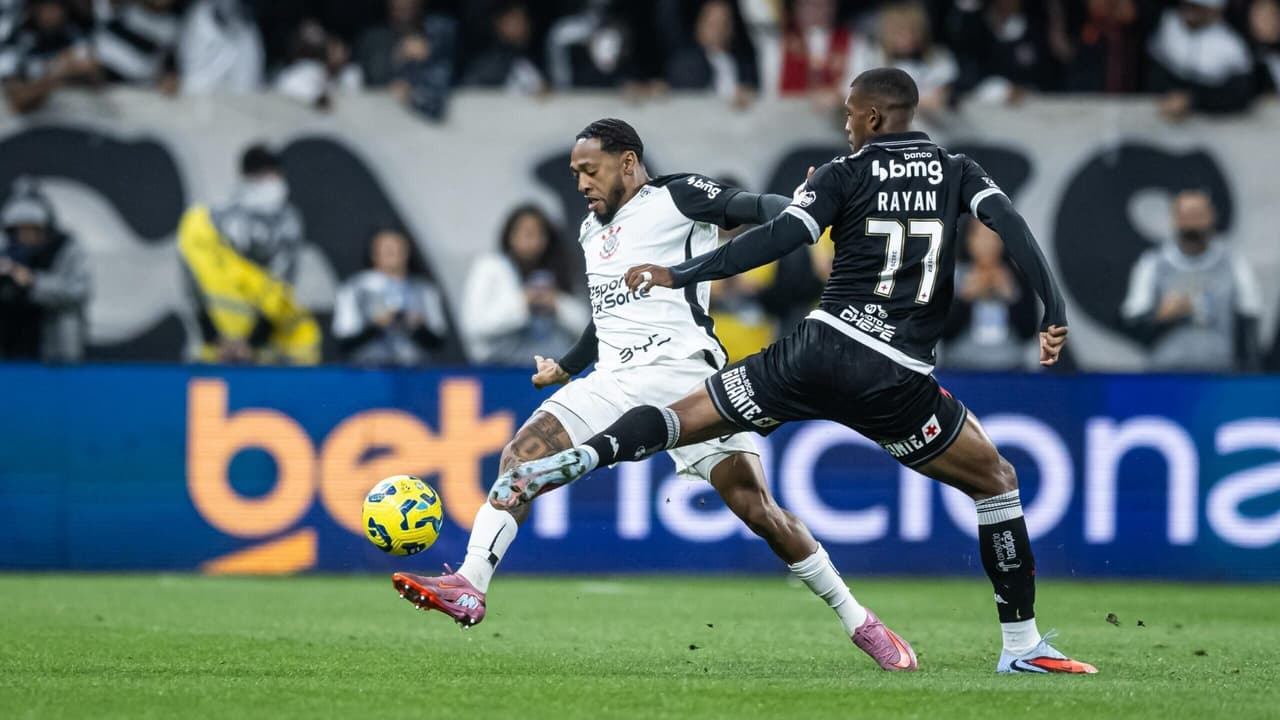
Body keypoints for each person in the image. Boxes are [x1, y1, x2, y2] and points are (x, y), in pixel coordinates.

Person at [496, 70, 1097, 675]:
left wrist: (678, 273)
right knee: (996, 482)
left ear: (873, 119)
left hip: (817, 349)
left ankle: (589, 455)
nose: (844, 124)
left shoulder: (843, 172)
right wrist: (1054, 308)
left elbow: (776, 239)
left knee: (687, 417)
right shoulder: (958, 169)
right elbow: (1012, 226)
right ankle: (1022, 646)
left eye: (849, 115)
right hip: (896, 375)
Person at [392, 118, 921, 673]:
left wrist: (807, 205)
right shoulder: (591, 231)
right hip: (612, 378)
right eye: (575, 173)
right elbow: (606, 314)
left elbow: (757, 208)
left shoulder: (680, 195)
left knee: (758, 510)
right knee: (520, 456)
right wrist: (567, 366)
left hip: (684, 377)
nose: (581, 184)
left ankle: (859, 620)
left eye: (588, 170)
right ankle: (471, 584)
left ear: (627, 162)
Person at [177, 143, 320, 365]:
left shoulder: (289, 222)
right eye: (259, 174)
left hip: (265, 349)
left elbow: (281, 290)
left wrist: (252, 343)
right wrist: (215, 338)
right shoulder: (213, 221)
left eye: (271, 173)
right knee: (210, 398)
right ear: (245, 177)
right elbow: (195, 280)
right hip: (215, 349)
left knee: (260, 399)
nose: (267, 182)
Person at [1120, 190, 1262, 372]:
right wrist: (1160, 318)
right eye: (1186, 215)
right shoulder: (1153, 265)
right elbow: (1131, 324)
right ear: (1175, 218)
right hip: (1164, 378)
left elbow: (1249, 324)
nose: (1192, 222)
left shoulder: (1233, 264)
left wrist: (1251, 375)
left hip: (1220, 378)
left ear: (1212, 217)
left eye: (1198, 214)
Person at [460, 205, 588, 365]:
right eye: (526, 233)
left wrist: (556, 303)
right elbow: (474, 325)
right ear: (509, 235)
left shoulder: (559, 270)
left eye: (539, 234)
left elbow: (585, 326)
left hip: (550, 368)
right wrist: (524, 303)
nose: (532, 240)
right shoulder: (490, 267)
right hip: (499, 369)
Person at [0, 177, 90, 362]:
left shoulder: (65, 249)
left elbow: (77, 291)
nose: (26, 236)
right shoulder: (4, 251)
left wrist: (32, 282)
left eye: (33, 229)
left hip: (54, 354)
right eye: (20, 230)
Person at [332, 228, 448, 366]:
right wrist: (376, 326)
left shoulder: (424, 290)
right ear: (374, 254)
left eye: (399, 249)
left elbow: (438, 341)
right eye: (387, 250)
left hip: (415, 373)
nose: (394, 254)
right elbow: (345, 340)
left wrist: (417, 327)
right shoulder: (355, 289)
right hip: (369, 374)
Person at [940, 220, 1039, 370]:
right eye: (980, 236)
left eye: (994, 236)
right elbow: (943, 334)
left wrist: (1011, 297)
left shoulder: (1018, 276)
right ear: (968, 239)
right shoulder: (952, 276)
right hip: (960, 369)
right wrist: (965, 299)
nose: (987, 244)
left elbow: (1029, 332)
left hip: (1011, 370)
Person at [1147, 0, 1255, 119]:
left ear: (1216, 11)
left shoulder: (1232, 45)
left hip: (1211, 126)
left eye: (1197, 7)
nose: (1190, 11)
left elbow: (1239, 95)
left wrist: (1193, 100)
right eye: (1187, 5)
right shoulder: (1166, 24)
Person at [354, 0, 456, 120]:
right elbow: (373, 77)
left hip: (429, 124)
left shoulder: (439, 31)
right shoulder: (373, 39)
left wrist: (433, 50)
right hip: (380, 121)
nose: (405, 3)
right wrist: (398, 55)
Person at [0, 0, 101, 113]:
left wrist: (86, 71)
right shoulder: (15, 43)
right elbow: (17, 101)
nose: (51, 14)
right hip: (30, 125)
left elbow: (98, 84)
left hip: (75, 120)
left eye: (56, 7)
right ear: (32, 9)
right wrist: (57, 74)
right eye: (45, 7)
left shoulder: (76, 36)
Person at [666, 0, 759, 109]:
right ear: (700, 26)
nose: (718, 30)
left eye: (724, 24)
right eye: (712, 24)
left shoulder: (743, 64)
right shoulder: (685, 65)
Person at [177, 0, 264, 95]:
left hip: (238, 98)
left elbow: (249, 79)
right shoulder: (198, 17)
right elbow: (192, 78)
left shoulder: (246, 25)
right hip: (203, 97)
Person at [461, 0, 545, 95]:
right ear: (499, 25)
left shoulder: (531, 59)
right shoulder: (487, 66)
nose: (524, 26)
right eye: (516, 20)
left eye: (525, 19)